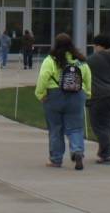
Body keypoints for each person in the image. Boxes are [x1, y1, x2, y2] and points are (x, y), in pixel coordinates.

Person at [34, 32, 93, 170]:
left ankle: (56, 159)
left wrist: (40, 94)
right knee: (76, 127)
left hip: (54, 96)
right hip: (77, 95)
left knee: (56, 128)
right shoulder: (80, 60)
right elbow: (87, 77)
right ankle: (77, 151)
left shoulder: (51, 60)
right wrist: (88, 94)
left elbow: (43, 77)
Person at [86, 33, 110, 165]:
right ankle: (104, 152)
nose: (94, 48)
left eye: (95, 45)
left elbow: (82, 67)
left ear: (99, 46)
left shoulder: (94, 59)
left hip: (101, 96)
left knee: (101, 126)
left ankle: (106, 155)